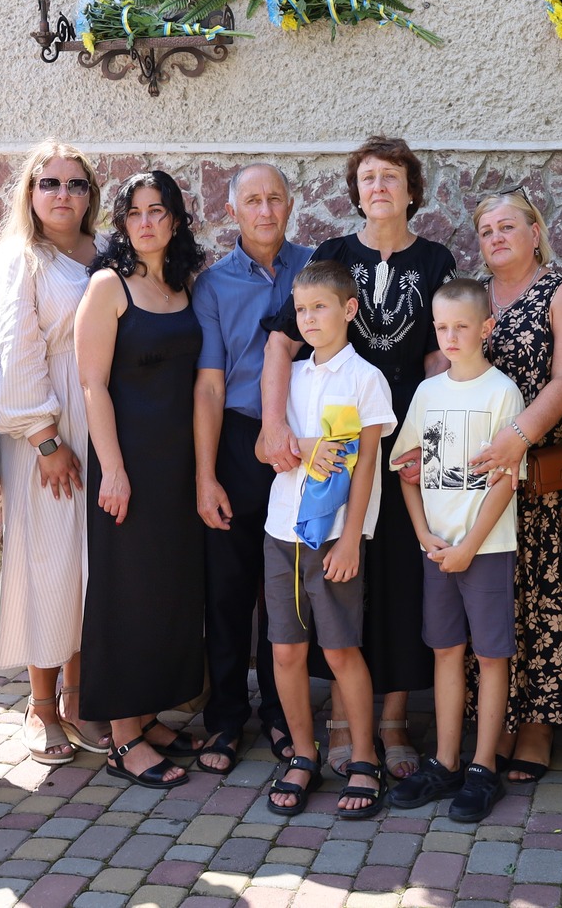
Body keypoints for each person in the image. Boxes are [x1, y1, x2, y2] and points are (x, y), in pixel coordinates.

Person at [260, 135, 454, 778]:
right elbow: (281, 343)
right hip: (333, 447)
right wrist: (273, 428)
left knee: (395, 578)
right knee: (340, 583)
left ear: (411, 190)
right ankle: (343, 720)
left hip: (402, 441)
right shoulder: (333, 256)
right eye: (368, 178)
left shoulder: (435, 259)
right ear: (356, 192)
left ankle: (392, 722)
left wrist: (429, 437)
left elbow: (437, 357)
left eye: (391, 176)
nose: (379, 187)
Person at [74, 169, 208, 788]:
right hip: (127, 466)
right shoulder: (108, 285)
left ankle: (149, 716)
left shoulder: (182, 285)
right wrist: (113, 470)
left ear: (175, 220)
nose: (146, 222)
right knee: (125, 595)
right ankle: (123, 738)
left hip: (177, 466)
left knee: (167, 592)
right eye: (135, 213)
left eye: (158, 211)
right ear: (122, 223)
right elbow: (91, 384)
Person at [462, 189, 562, 784]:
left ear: (535, 232)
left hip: (542, 477)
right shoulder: (474, 296)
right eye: (486, 230)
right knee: (494, 598)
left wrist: (518, 436)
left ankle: (539, 724)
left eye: (507, 226)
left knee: (543, 593)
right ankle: (499, 721)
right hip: (484, 476)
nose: (496, 237)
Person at [0, 143, 108, 765]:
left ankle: (79, 699)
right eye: (49, 183)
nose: (63, 194)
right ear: (30, 193)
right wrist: (45, 438)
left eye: (75, 184)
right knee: (49, 560)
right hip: (47, 428)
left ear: (90, 196)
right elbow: (14, 353)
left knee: (90, 564)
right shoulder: (21, 260)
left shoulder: (107, 253)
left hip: (103, 421)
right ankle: (40, 704)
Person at [386, 279, 526, 823]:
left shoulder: (502, 393)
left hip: (485, 548)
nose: (450, 336)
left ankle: (483, 767)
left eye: (462, 326)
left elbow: (505, 481)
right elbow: (407, 471)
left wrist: (470, 545)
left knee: (490, 655)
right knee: (446, 649)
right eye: (441, 327)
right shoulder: (428, 394)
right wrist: (425, 535)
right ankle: (445, 762)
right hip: (437, 549)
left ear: (486, 328)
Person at [261, 261, 397, 818]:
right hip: (280, 532)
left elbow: (367, 469)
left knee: (341, 650)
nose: (309, 318)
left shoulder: (366, 379)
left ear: (349, 309)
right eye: (301, 310)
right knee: (286, 650)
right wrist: (299, 447)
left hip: (334, 537)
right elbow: (265, 449)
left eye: (320, 307)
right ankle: (303, 753)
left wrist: (351, 540)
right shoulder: (289, 378)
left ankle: (364, 758)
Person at [191, 164, 313, 774]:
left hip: (303, 446)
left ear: (291, 204)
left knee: (287, 588)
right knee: (230, 587)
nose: (266, 211)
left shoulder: (315, 267)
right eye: (253, 201)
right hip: (239, 442)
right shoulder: (213, 286)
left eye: (275, 199)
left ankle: (284, 715)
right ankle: (225, 718)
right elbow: (210, 387)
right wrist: (206, 475)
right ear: (233, 211)